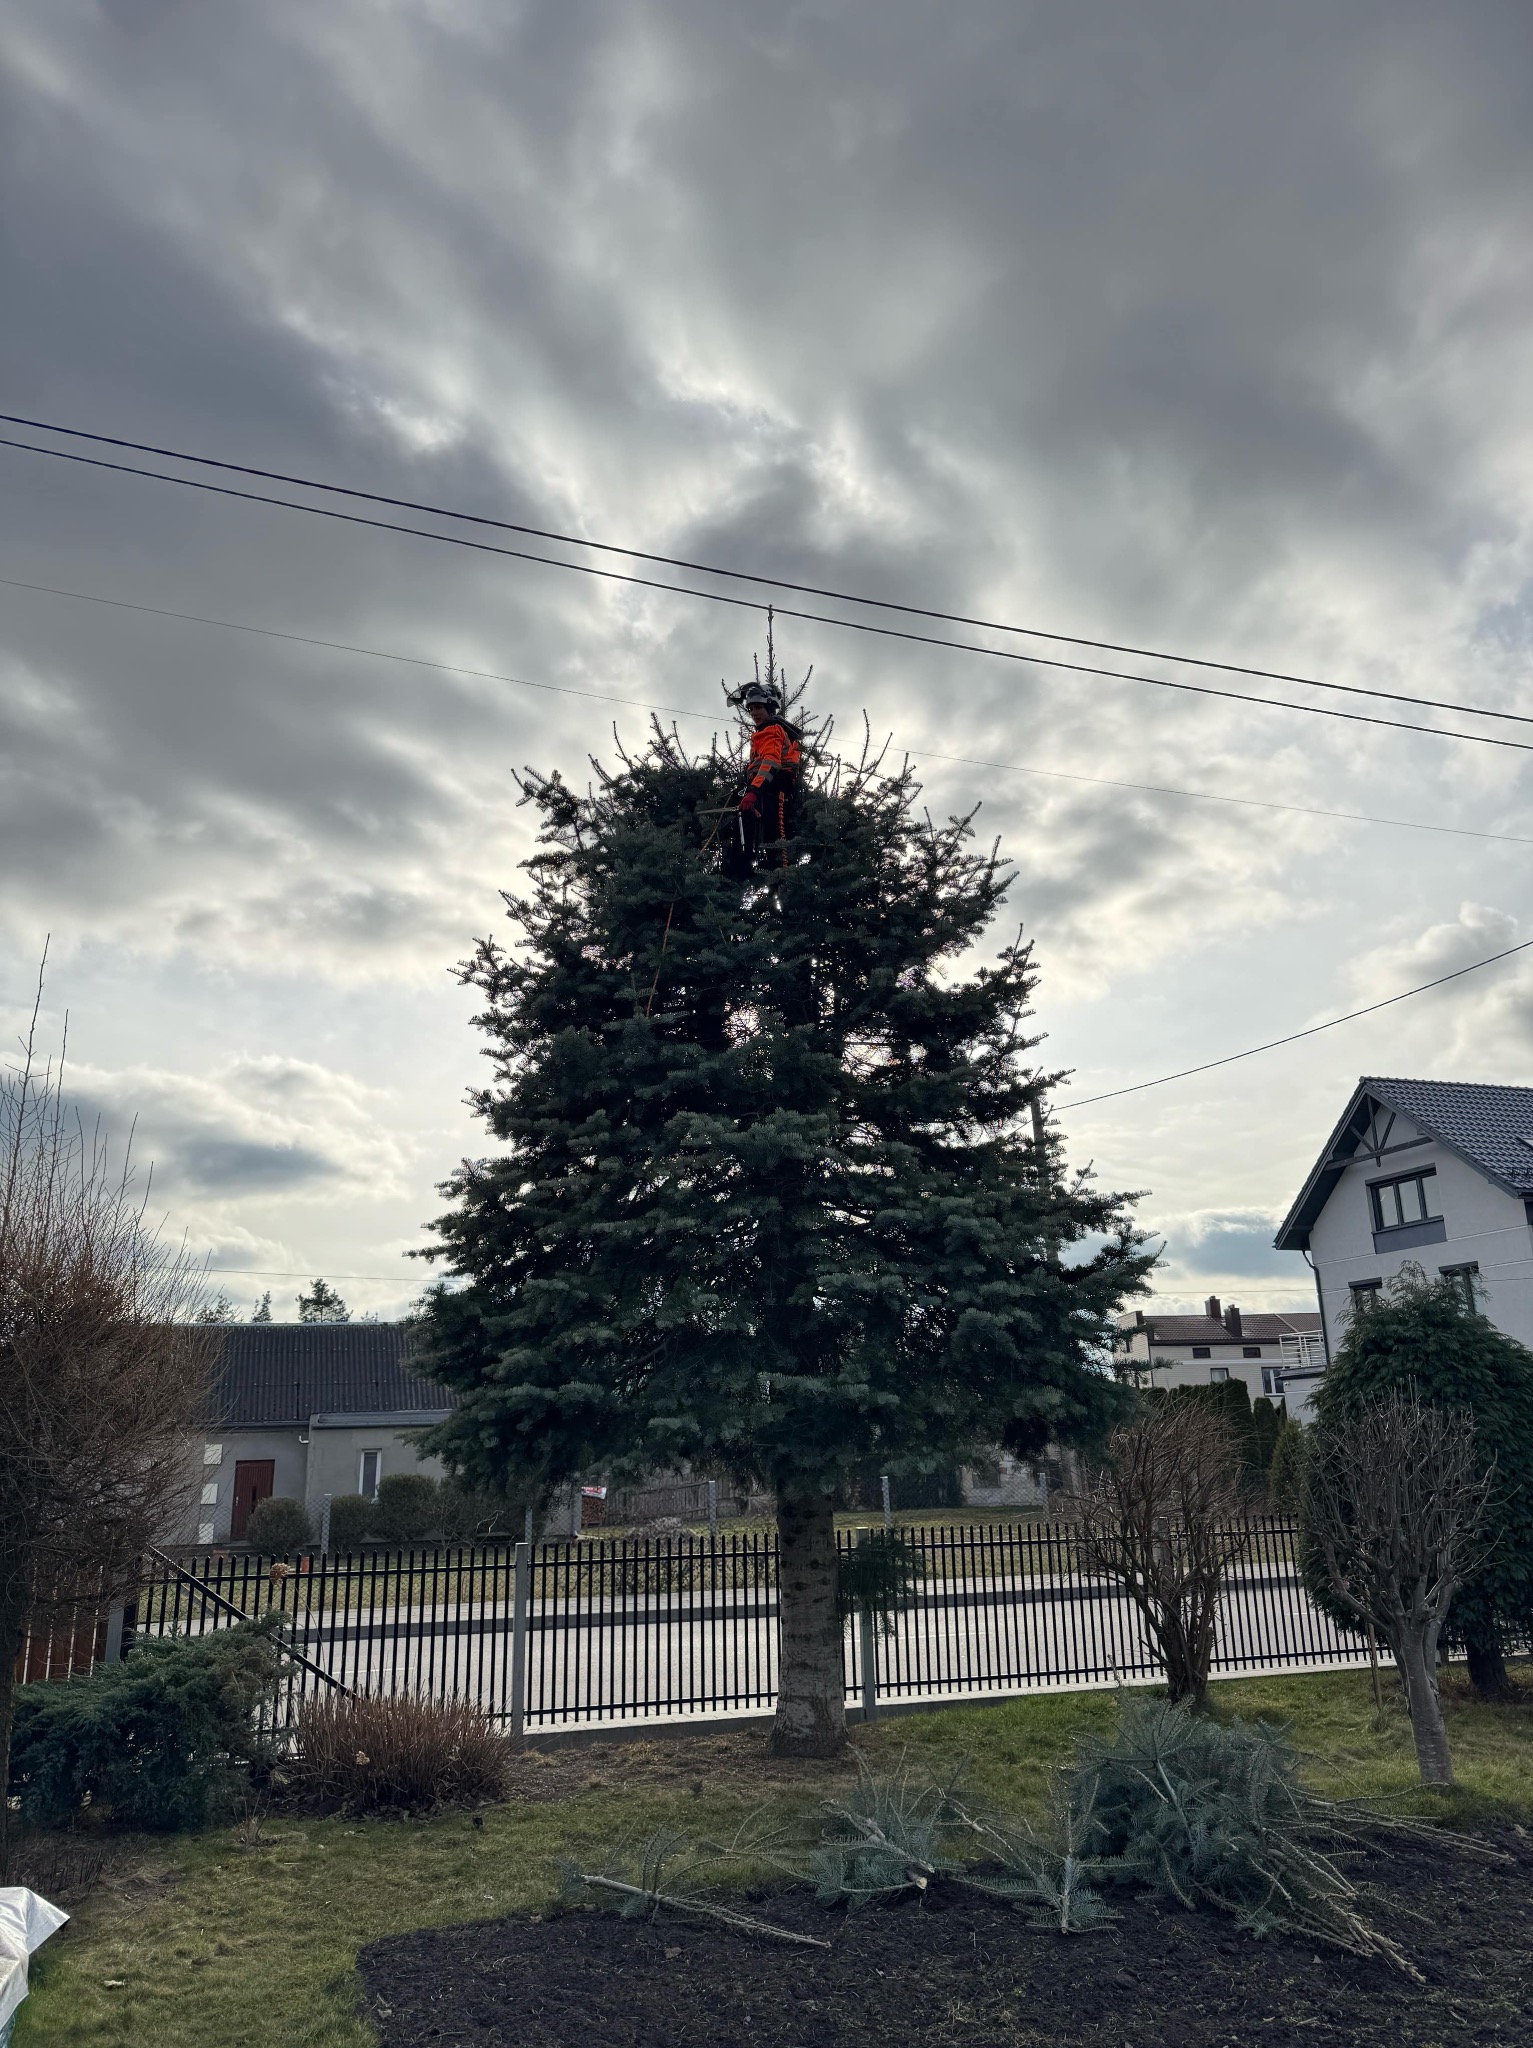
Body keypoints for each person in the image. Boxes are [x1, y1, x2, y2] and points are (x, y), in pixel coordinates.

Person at [726, 681, 802, 876]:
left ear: (770, 707)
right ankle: (743, 867)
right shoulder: (764, 732)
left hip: (775, 787)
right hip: (766, 787)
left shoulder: (772, 729)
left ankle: (782, 882)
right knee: (751, 828)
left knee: (775, 838)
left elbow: (771, 762)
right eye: (750, 708)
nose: (754, 712)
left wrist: (753, 791)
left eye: (758, 707)